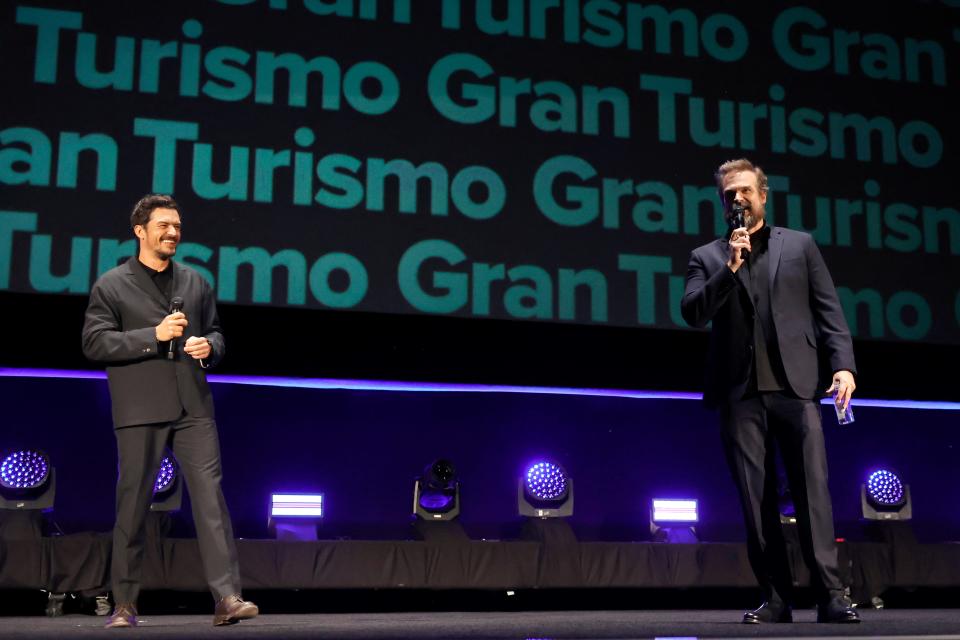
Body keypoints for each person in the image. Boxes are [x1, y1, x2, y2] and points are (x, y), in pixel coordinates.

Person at [681, 159, 860, 624]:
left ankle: (831, 594)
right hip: (739, 392)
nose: (736, 199)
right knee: (754, 498)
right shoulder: (708, 256)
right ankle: (776, 597)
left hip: (795, 386)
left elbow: (829, 312)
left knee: (812, 493)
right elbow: (692, 312)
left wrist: (842, 367)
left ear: (762, 195)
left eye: (744, 191)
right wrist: (730, 268)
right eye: (728, 195)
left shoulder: (799, 245)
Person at [82, 194, 258, 628]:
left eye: (177, 225)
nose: (173, 232)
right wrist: (153, 336)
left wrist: (207, 348)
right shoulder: (112, 284)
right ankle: (124, 603)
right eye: (164, 225)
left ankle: (227, 598)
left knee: (211, 501)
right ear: (140, 231)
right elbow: (95, 342)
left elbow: (216, 334)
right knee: (133, 505)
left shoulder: (195, 283)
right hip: (140, 407)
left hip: (192, 406)